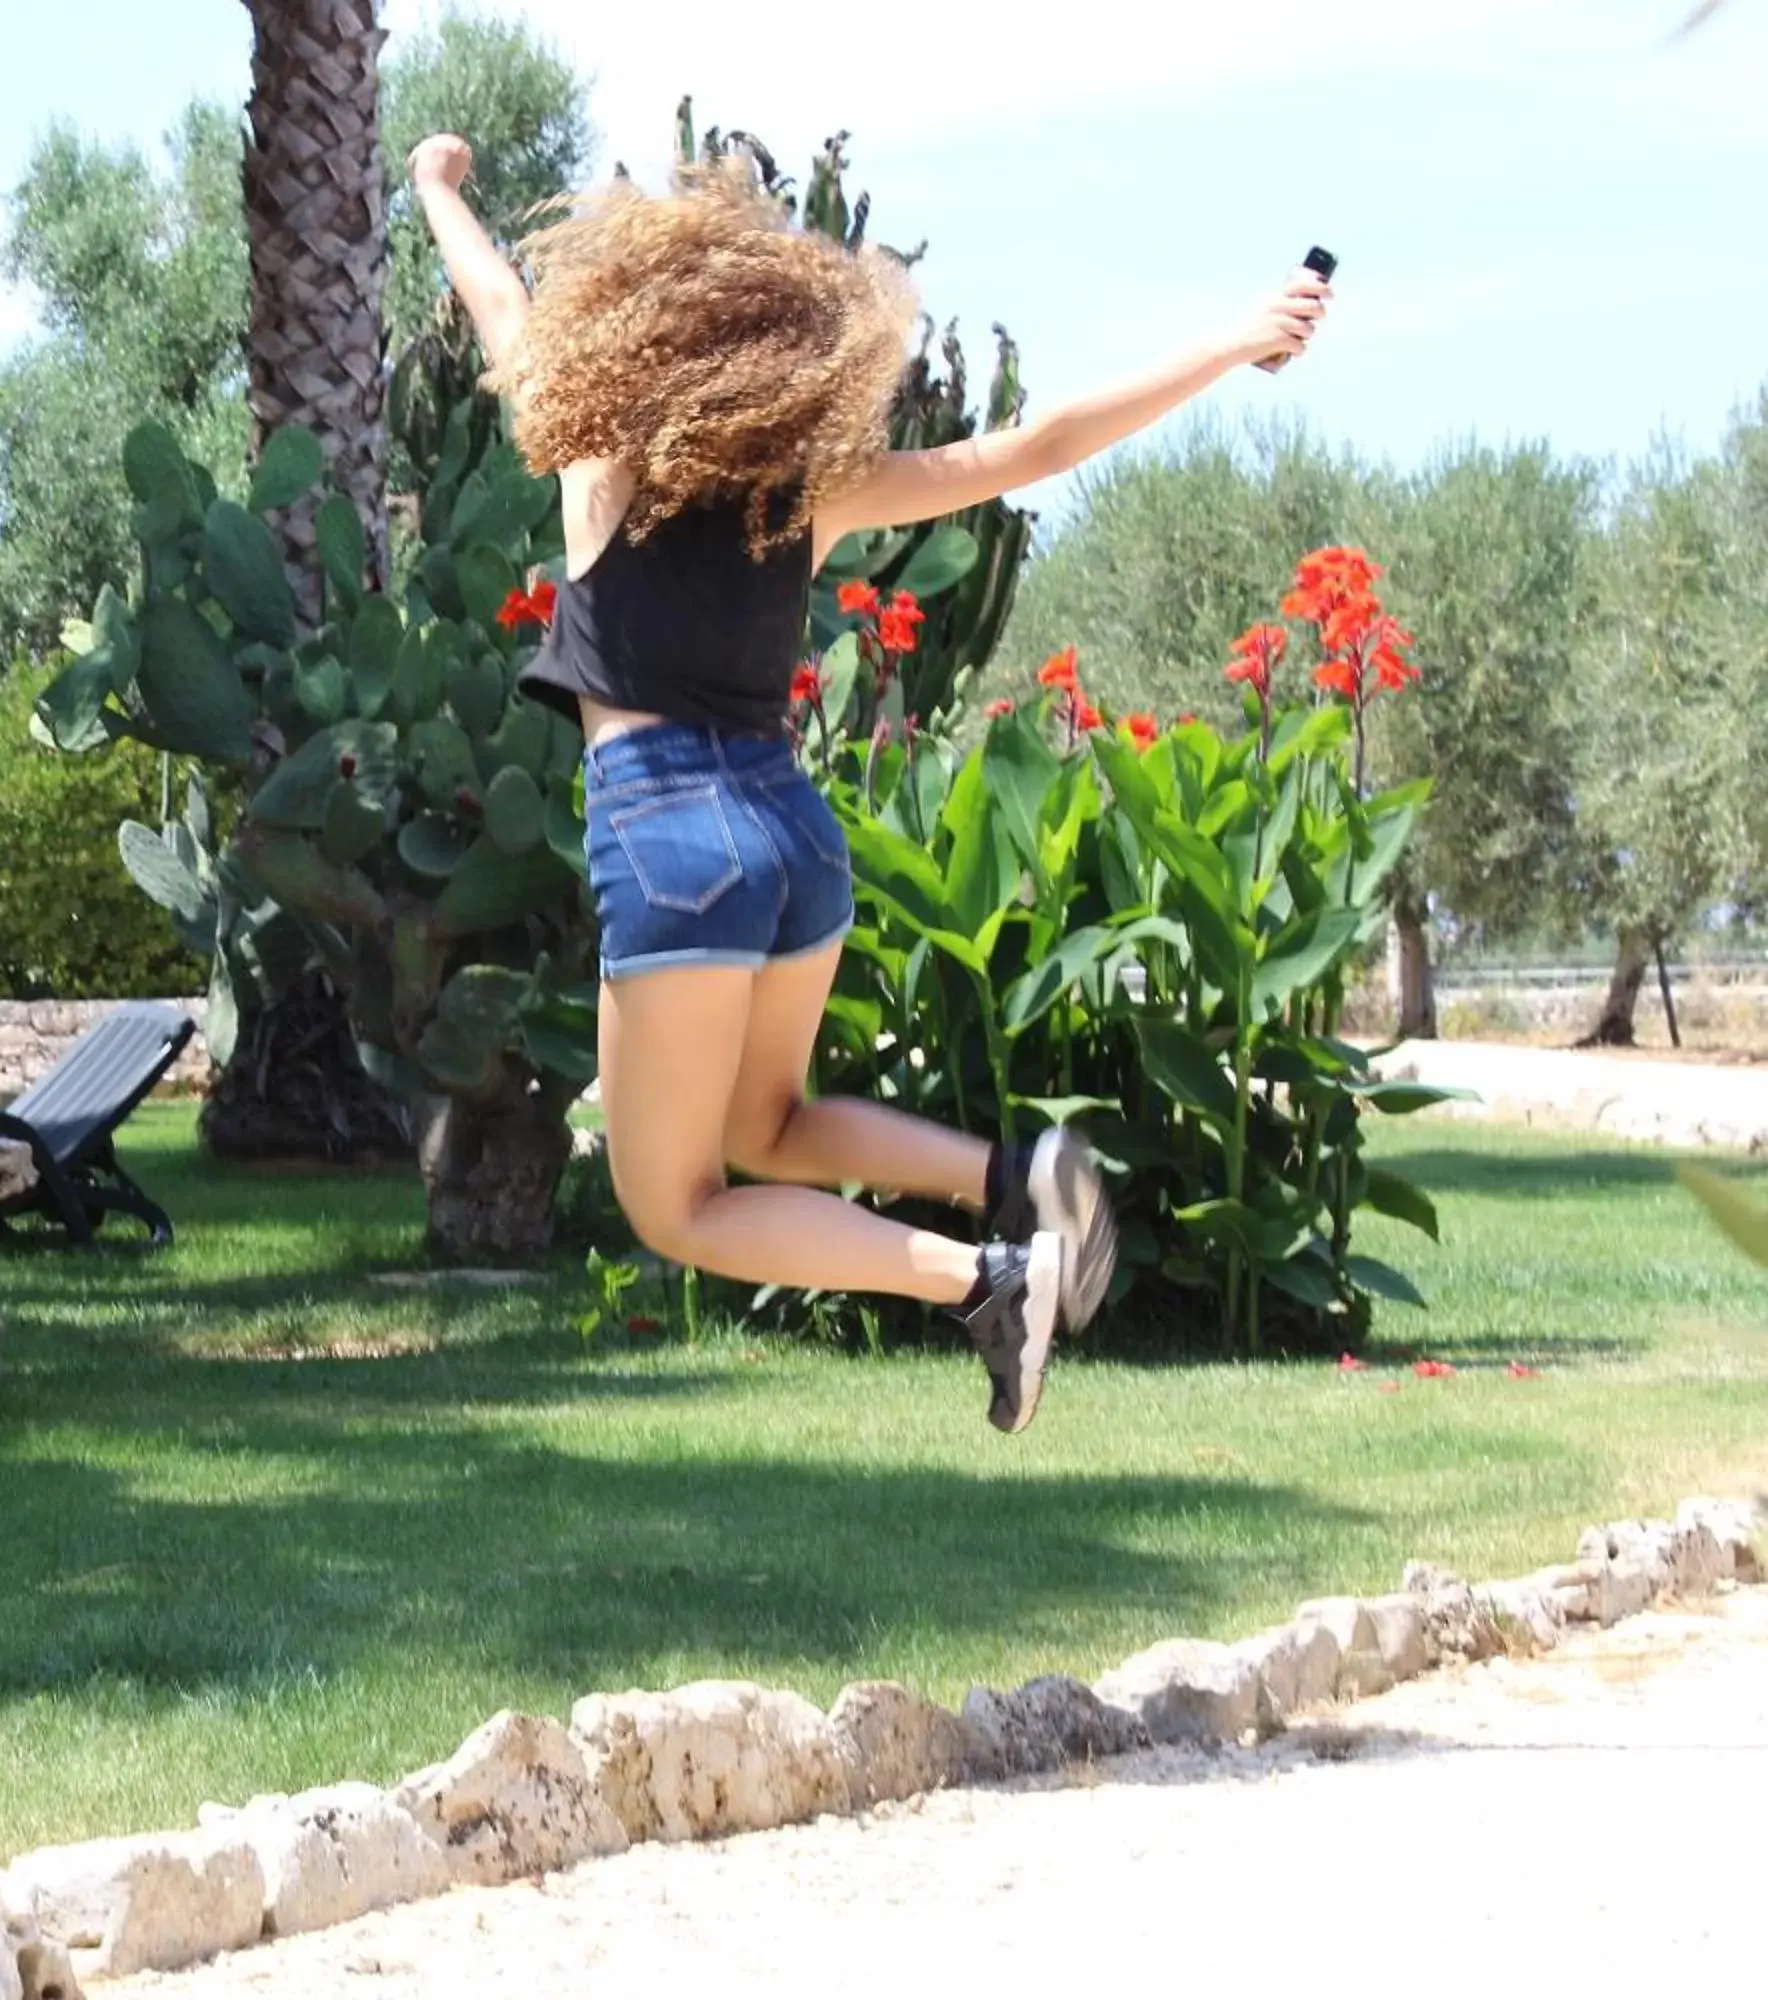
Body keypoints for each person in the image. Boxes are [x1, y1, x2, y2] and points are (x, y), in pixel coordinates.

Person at [409, 134, 1330, 1433]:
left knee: (675, 1207)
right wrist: (1235, 341)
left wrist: (439, 189)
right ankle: (1014, 1173)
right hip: (792, 837)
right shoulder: (812, 490)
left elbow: (500, 301)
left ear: (650, 327)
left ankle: (990, 1275)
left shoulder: (599, 455)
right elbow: (1039, 446)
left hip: (669, 833)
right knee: (772, 1128)